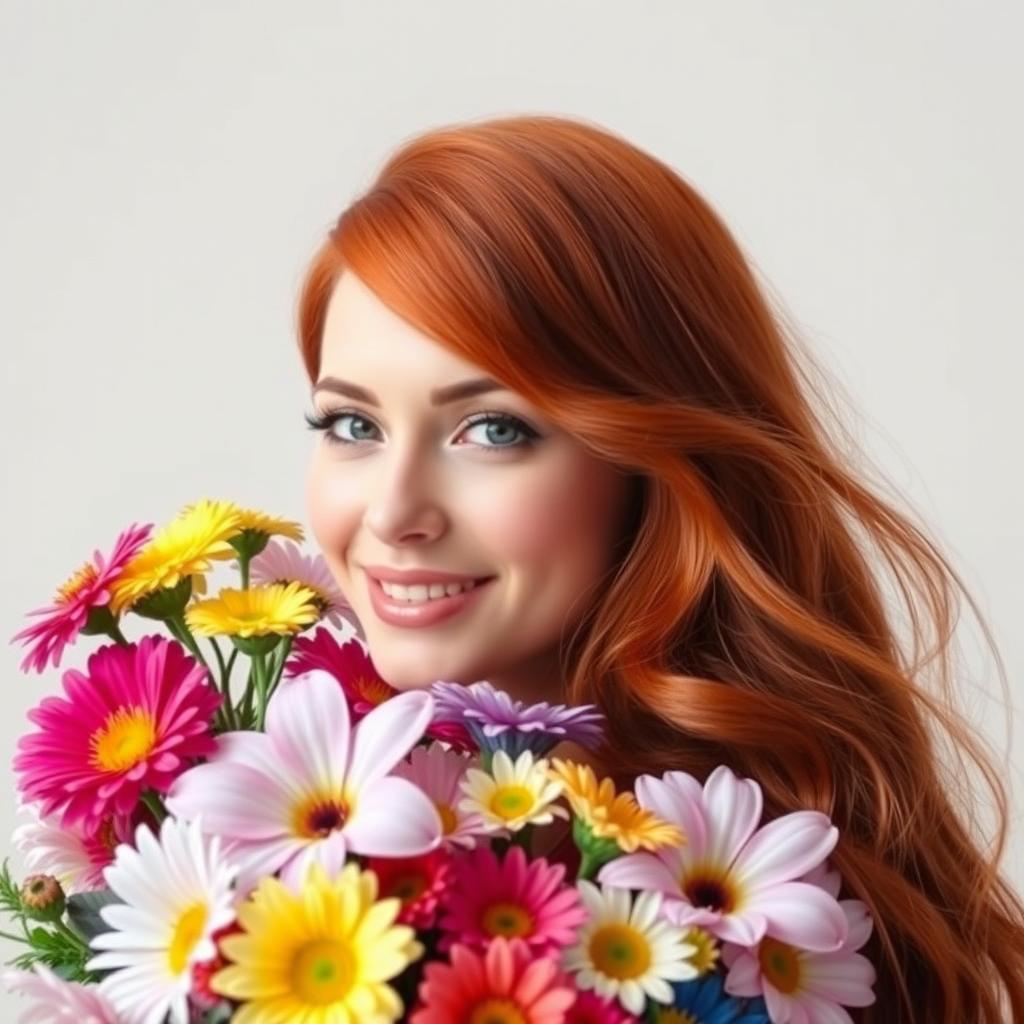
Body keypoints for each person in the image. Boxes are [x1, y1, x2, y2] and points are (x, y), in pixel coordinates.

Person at [298, 114, 1024, 1022]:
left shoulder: (762, 933)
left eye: (494, 429)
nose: (394, 513)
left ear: (651, 456)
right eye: (351, 426)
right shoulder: (265, 802)